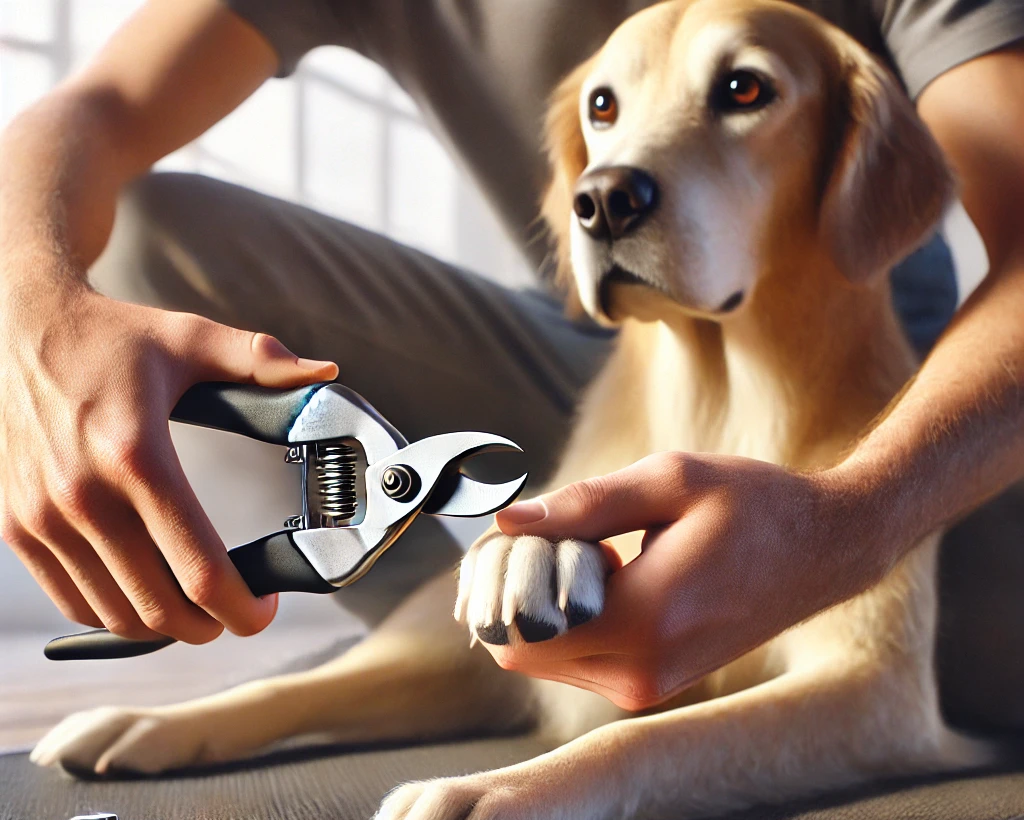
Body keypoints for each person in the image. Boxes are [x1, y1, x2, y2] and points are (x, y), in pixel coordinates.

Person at [2, 0, 1023, 727]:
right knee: (119, 238)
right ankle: (473, 627)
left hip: (899, 406)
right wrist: (35, 320)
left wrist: (855, 518)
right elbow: (92, 111)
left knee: (969, 670)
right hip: (585, 372)